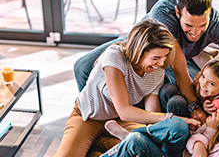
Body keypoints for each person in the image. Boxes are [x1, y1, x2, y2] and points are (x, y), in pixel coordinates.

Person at [73, 0, 219, 123]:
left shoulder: (217, 23)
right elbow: (177, 69)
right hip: (141, 46)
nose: (195, 33)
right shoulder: (164, 12)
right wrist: (194, 107)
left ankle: (125, 117)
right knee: (82, 67)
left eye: (202, 26)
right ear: (178, 12)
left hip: (176, 58)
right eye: (188, 26)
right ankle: (98, 119)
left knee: (203, 87)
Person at [55, 19, 201, 157]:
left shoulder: (156, 71)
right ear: (139, 50)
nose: (161, 63)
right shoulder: (114, 57)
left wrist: (171, 125)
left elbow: (151, 113)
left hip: (119, 122)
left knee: (146, 147)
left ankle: (100, 142)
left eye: (165, 57)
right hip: (89, 117)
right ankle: (98, 142)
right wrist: (171, 117)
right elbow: (124, 110)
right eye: (156, 58)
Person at [102, 90, 219, 157]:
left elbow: (197, 151)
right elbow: (192, 142)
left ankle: (132, 136)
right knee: (178, 126)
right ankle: (140, 132)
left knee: (135, 140)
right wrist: (200, 133)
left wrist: (207, 134)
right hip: (178, 150)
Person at [160, 54, 219, 122]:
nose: (203, 84)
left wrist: (204, 109)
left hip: (196, 122)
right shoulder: (205, 85)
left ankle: (175, 129)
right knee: (168, 89)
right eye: (203, 76)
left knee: (176, 102)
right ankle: (163, 119)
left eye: (211, 83)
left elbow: (208, 123)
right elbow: (194, 88)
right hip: (195, 106)